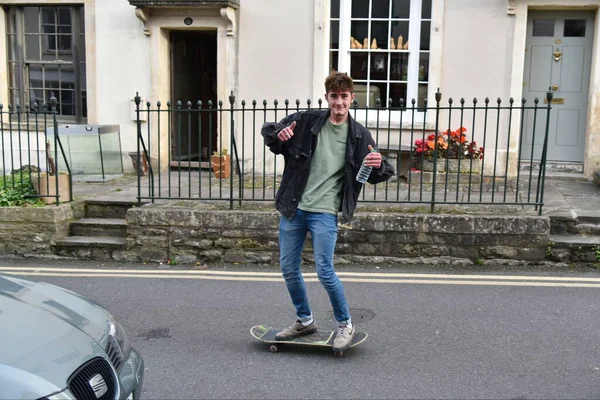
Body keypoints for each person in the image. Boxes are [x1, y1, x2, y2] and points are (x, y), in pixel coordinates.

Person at [261, 71, 394, 352]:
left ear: (351, 99)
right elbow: (271, 134)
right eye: (334, 96)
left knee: (324, 271)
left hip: (325, 211)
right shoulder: (306, 121)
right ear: (327, 97)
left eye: (344, 97)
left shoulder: (359, 136)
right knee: (288, 267)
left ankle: (345, 323)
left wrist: (378, 163)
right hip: (294, 208)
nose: (339, 103)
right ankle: (304, 320)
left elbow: (378, 172)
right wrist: (279, 135)